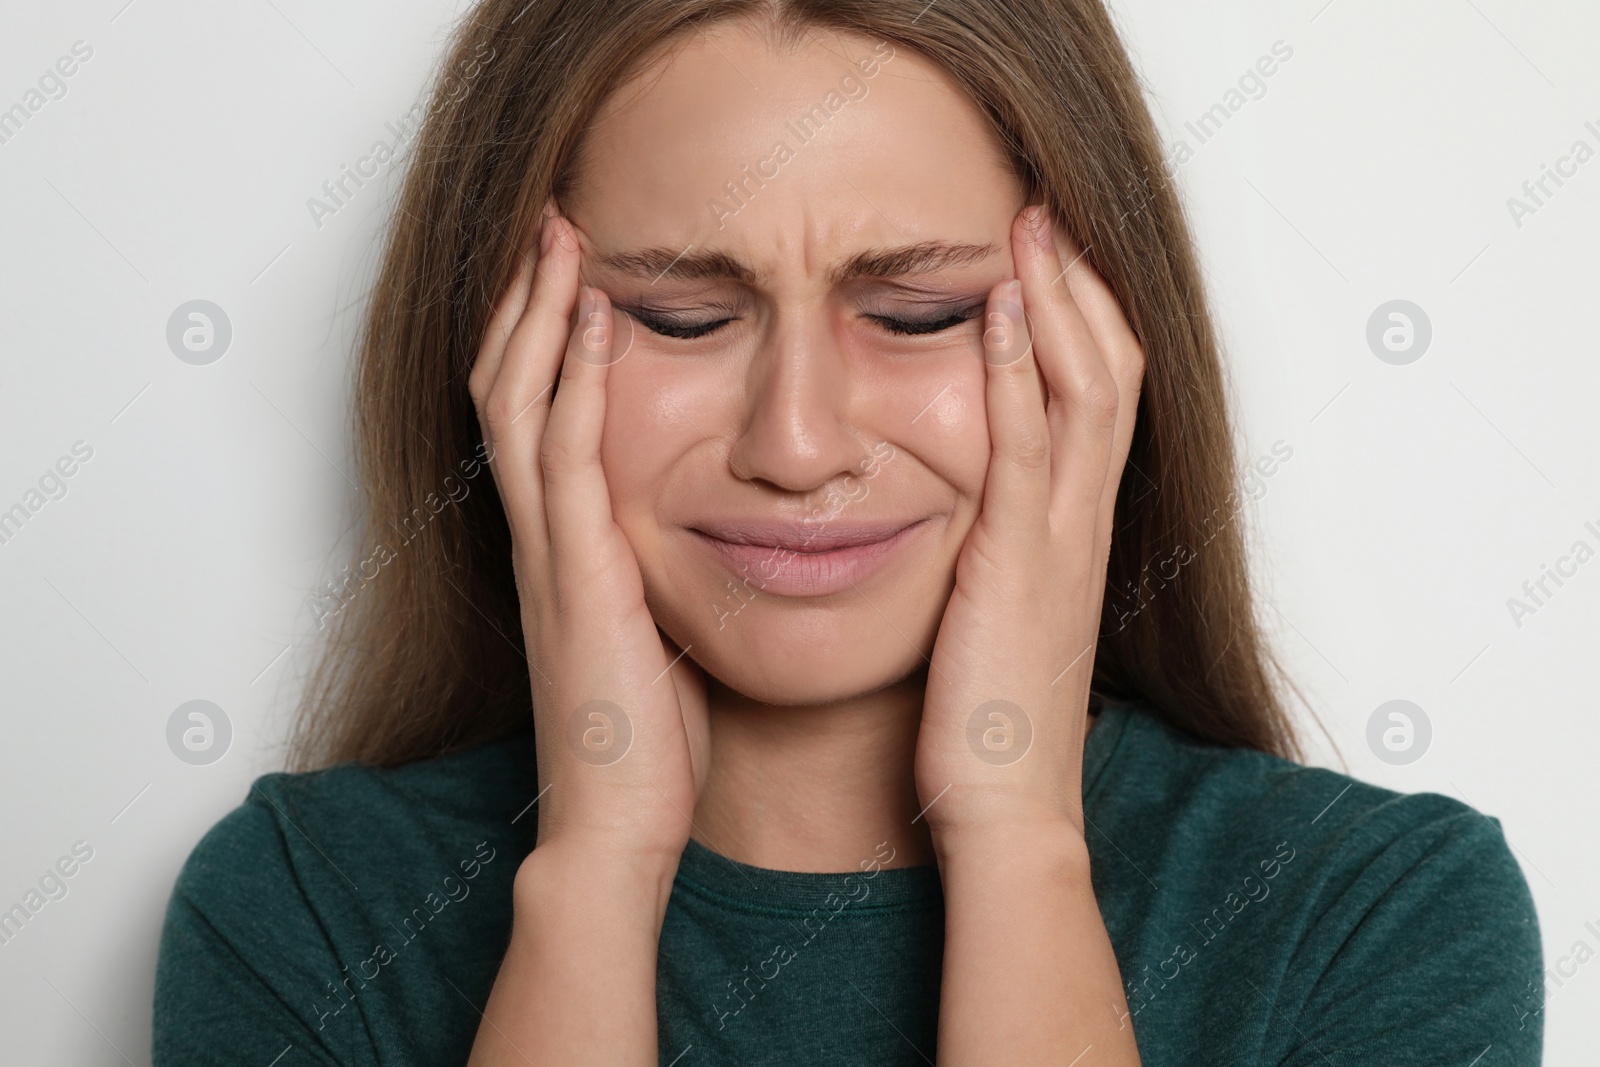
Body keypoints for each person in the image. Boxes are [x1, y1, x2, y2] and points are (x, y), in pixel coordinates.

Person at [151, 1, 1544, 1064]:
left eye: (921, 313)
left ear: (1104, 347)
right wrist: (598, 869)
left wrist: (1016, 835)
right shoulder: (305, 911)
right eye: (679, 315)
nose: (797, 442)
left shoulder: (1375, 917)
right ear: (506, 351)